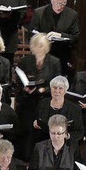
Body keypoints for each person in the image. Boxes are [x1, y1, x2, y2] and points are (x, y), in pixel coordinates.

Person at [16, 33, 61, 161]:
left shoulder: (54, 62)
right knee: (27, 133)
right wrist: (25, 88)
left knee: (41, 132)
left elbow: (58, 83)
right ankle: (26, 159)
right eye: (35, 45)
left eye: (41, 46)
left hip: (45, 101)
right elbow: (19, 81)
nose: (38, 48)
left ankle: (42, 160)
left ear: (46, 47)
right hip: (29, 101)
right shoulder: (25, 61)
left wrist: (44, 89)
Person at [27, 0, 80, 76]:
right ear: (51, 0)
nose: (60, 6)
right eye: (58, 3)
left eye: (63, 3)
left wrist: (61, 35)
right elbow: (31, 34)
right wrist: (43, 38)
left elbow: (75, 36)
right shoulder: (39, 13)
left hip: (62, 54)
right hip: (43, 54)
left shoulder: (72, 15)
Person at [34, 76, 84, 150]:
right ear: (51, 89)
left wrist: (67, 136)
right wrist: (35, 123)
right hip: (44, 144)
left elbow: (80, 132)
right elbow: (36, 119)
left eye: (60, 88)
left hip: (66, 146)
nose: (57, 91)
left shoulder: (74, 108)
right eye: (54, 87)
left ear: (65, 91)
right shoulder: (43, 103)